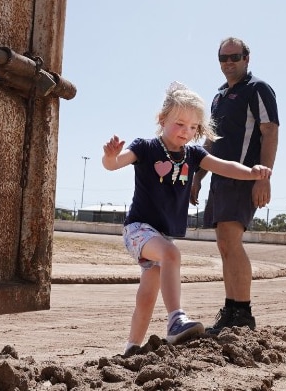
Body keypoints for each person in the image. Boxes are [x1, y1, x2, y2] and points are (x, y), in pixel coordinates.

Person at [102, 82, 272, 356]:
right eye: (180, 124)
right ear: (162, 119)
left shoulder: (193, 154)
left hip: (160, 235)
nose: (186, 132)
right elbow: (115, 164)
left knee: (147, 296)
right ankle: (176, 319)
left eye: (193, 127)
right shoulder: (145, 147)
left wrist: (253, 172)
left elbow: (225, 167)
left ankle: (131, 348)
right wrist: (109, 157)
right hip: (138, 230)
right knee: (171, 254)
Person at [190, 37, 279, 334]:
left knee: (231, 240)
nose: (228, 62)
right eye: (223, 58)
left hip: (244, 177)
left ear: (247, 58)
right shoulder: (218, 97)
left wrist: (263, 177)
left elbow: (269, 132)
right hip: (218, 177)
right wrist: (197, 177)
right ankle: (231, 311)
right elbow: (211, 141)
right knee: (225, 244)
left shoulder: (258, 89)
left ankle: (243, 314)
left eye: (234, 57)